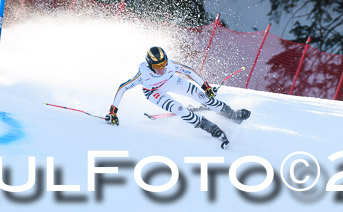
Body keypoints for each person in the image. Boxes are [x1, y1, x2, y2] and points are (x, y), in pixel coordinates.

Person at [105, 46, 250, 145]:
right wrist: (113, 112)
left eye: (164, 64)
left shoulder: (170, 66)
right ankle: (211, 129)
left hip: (171, 81)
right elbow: (122, 88)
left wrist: (205, 87)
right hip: (153, 92)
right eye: (157, 67)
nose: (162, 69)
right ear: (149, 65)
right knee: (179, 109)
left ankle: (232, 115)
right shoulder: (142, 73)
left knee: (203, 97)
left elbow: (189, 71)